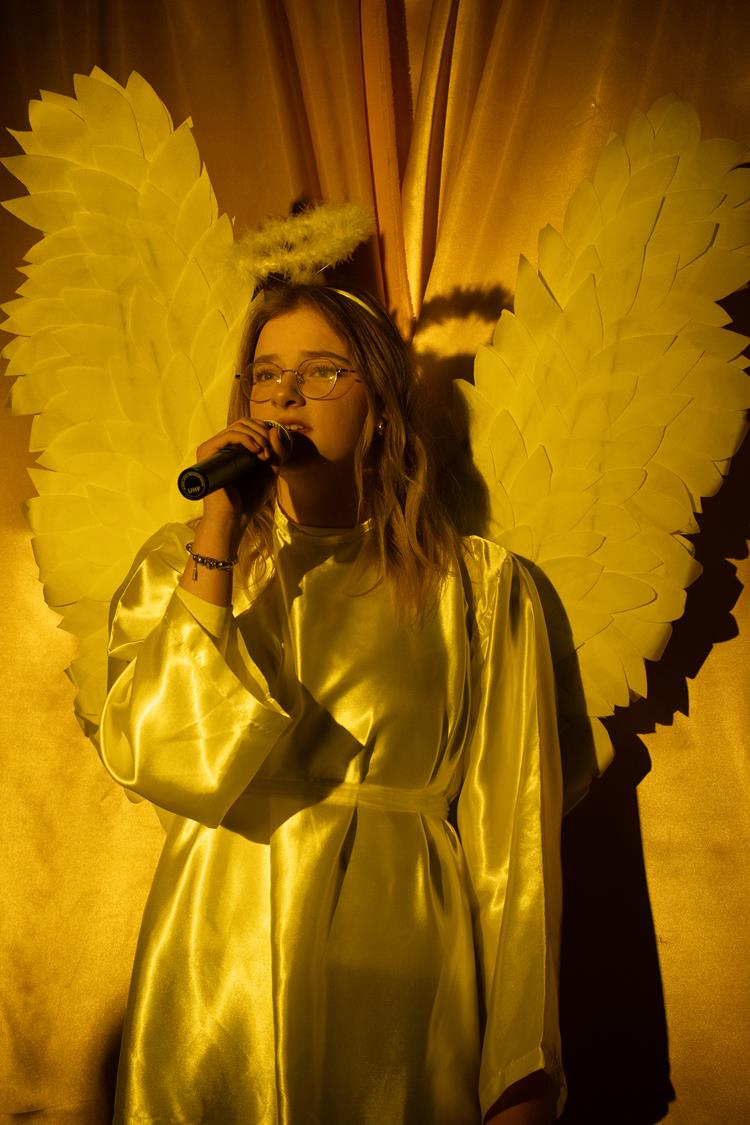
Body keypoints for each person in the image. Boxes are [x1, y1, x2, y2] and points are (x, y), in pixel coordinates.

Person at [98, 283, 566, 1125]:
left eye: (320, 371)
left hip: (400, 969)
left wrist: (519, 1068)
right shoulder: (182, 564)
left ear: (379, 405)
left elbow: (513, 843)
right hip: (220, 959)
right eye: (265, 374)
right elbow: (157, 753)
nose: (285, 396)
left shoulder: (477, 586)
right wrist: (217, 533)